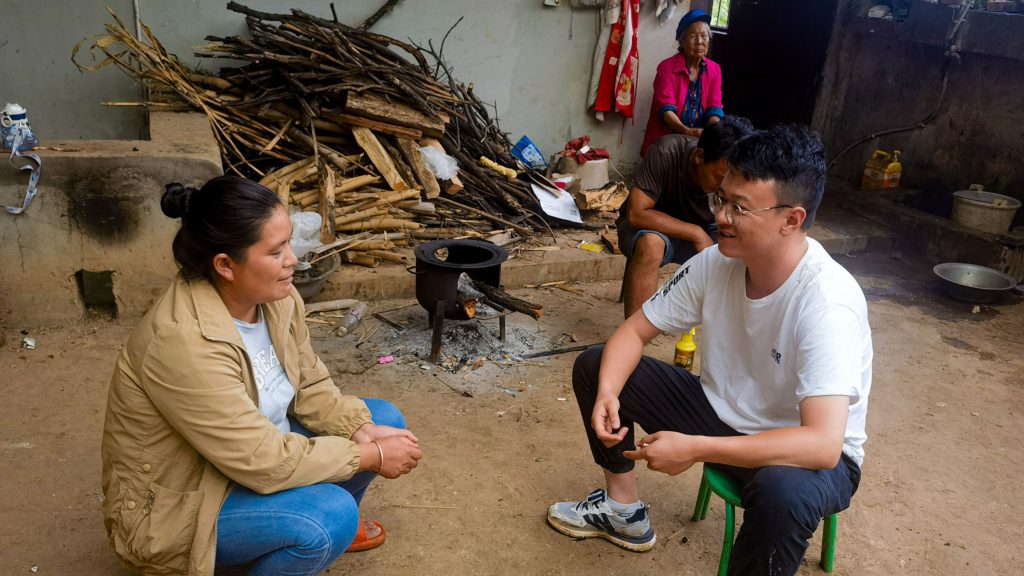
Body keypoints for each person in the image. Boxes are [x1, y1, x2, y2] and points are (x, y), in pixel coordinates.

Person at [548, 125, 872, 576]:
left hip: (800, 455)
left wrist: (695, 448)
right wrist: (608, 393)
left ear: (791, 220)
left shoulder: (827, 301)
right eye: (721, 199)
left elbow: (821, 444)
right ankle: (623, 511)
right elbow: (634, 331)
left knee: (785, 494)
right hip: (723, 416)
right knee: (597, 364)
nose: (721, 216)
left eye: (740, 208)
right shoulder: (716, 262)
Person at [100, 175, 422, 576]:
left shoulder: (276, 299)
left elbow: (310, 385)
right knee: (328, 518)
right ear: (225, 265)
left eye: (289, 242)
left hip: (246, 455)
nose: (294, 259)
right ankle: (308, 528)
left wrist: (359, 430)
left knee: (381, 420)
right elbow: (262, 461)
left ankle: (291, 529)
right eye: (276, 251)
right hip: (185, 503)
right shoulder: (182, 341)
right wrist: (369, 455)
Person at [618, 115, 754, 318]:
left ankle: (731, 328)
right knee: (651, 244)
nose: (722, 187)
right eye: (718, 178)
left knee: (746, 248)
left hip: (707, 232)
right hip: (653, 230)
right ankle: (632, 336)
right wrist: (695, 233)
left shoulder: (736, 171)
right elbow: (637, 214)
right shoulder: (665, 152)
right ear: (699, 156)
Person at [640, 8, 724, 156]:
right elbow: (665, 109)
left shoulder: (715, 69)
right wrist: (687, 131)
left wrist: (712, 133)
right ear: (682, 42)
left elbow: (714, 107)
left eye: (704, 36)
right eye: (693, 36)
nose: (699, 42)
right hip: (668, 137)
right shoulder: (666, 68)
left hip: (700, 137)